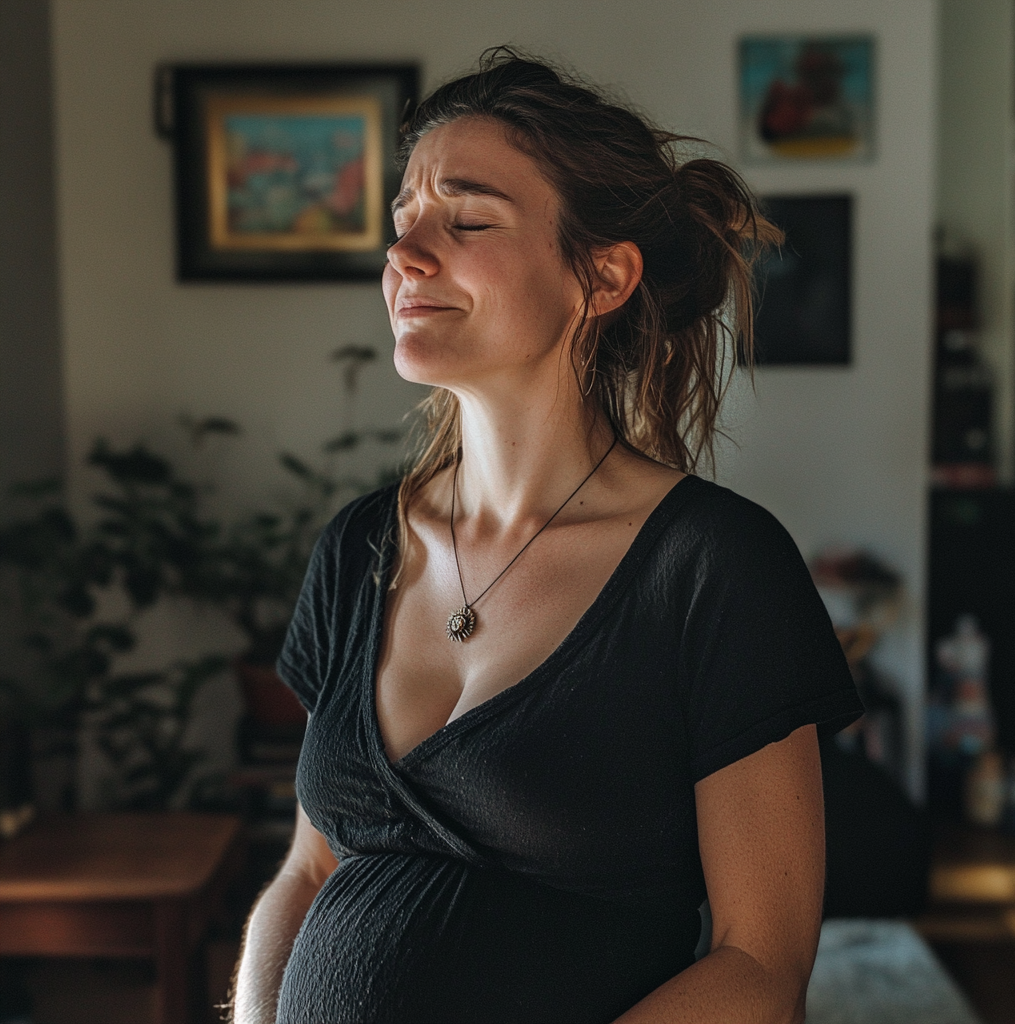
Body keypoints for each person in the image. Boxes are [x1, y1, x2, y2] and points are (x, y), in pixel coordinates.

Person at [231, 49, 862, 1024]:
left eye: (468, 219)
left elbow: (759, 963)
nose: (405, 256)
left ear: (601, 276)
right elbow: (306, 870)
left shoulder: (714, 568)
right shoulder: (357, 547)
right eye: (402, 224)